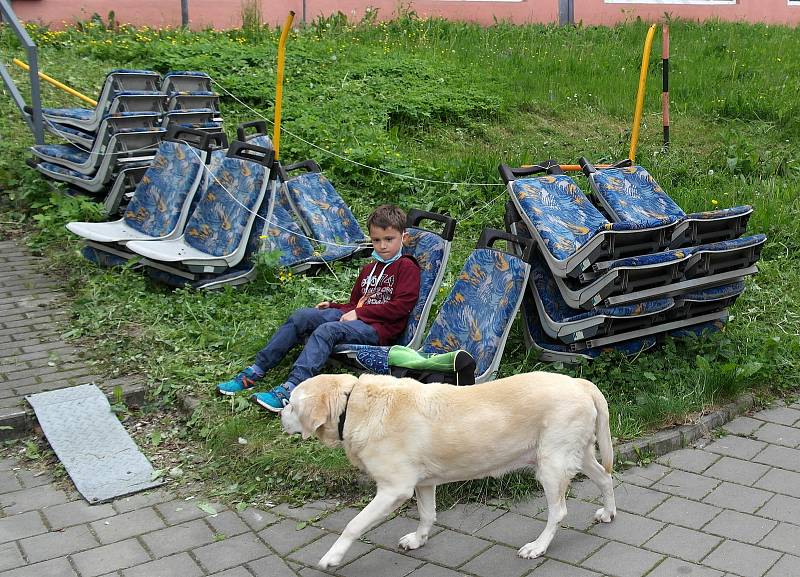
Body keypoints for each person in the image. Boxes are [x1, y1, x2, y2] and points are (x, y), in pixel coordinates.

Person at [216, 204, 421, 412]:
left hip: (379, 330)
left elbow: (401, 307)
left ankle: (292, 388)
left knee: (327, 330)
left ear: (403, 238)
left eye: (389, 239)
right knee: (302, 316)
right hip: (358, 318)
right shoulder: (369, 269)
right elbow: (355, 303)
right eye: (377, 240)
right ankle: (256, 370)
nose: (382, 246)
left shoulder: (406, 266)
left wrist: (360, 313)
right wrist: (334, 306)